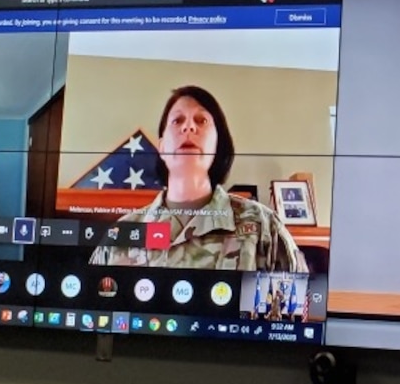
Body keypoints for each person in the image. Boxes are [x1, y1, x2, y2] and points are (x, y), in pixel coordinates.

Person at [89, 86, 308, 272]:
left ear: (217, 144)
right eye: (177, 121)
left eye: (201, 120)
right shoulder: (122, 234)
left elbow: (298, 311)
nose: (189, 127)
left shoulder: (262, 226)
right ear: (162, 147)